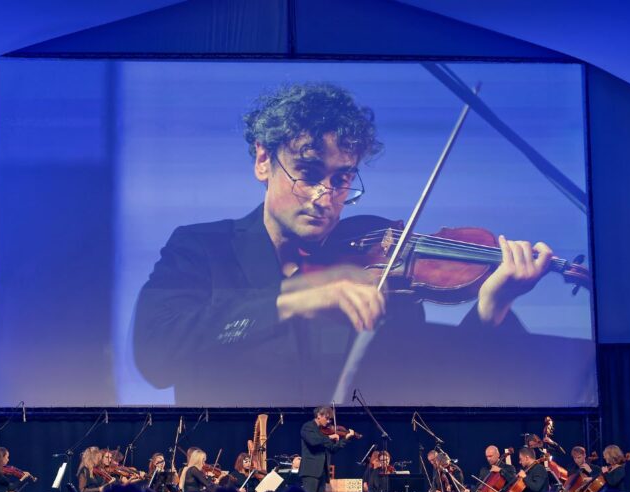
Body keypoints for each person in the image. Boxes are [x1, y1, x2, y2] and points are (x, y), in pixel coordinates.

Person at [133, 82, 592, 406]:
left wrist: (492, 306)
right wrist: (291, 299)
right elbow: (155, 357)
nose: (324, 198)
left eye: (341, 179)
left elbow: (430, 384)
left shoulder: (382, 267)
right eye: (309, 173)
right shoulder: (200, 248)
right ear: (262, 159)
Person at [300, 406, 355, 492]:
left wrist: (345, 439)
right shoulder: (308, 426)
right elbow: (313, 441)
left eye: (330, 419)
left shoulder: (323, 432)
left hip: (321, 472)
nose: (328, 421)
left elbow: (332, 448)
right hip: (311, 471)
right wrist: (330, 437)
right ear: (318, 416)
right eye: (327, 418)